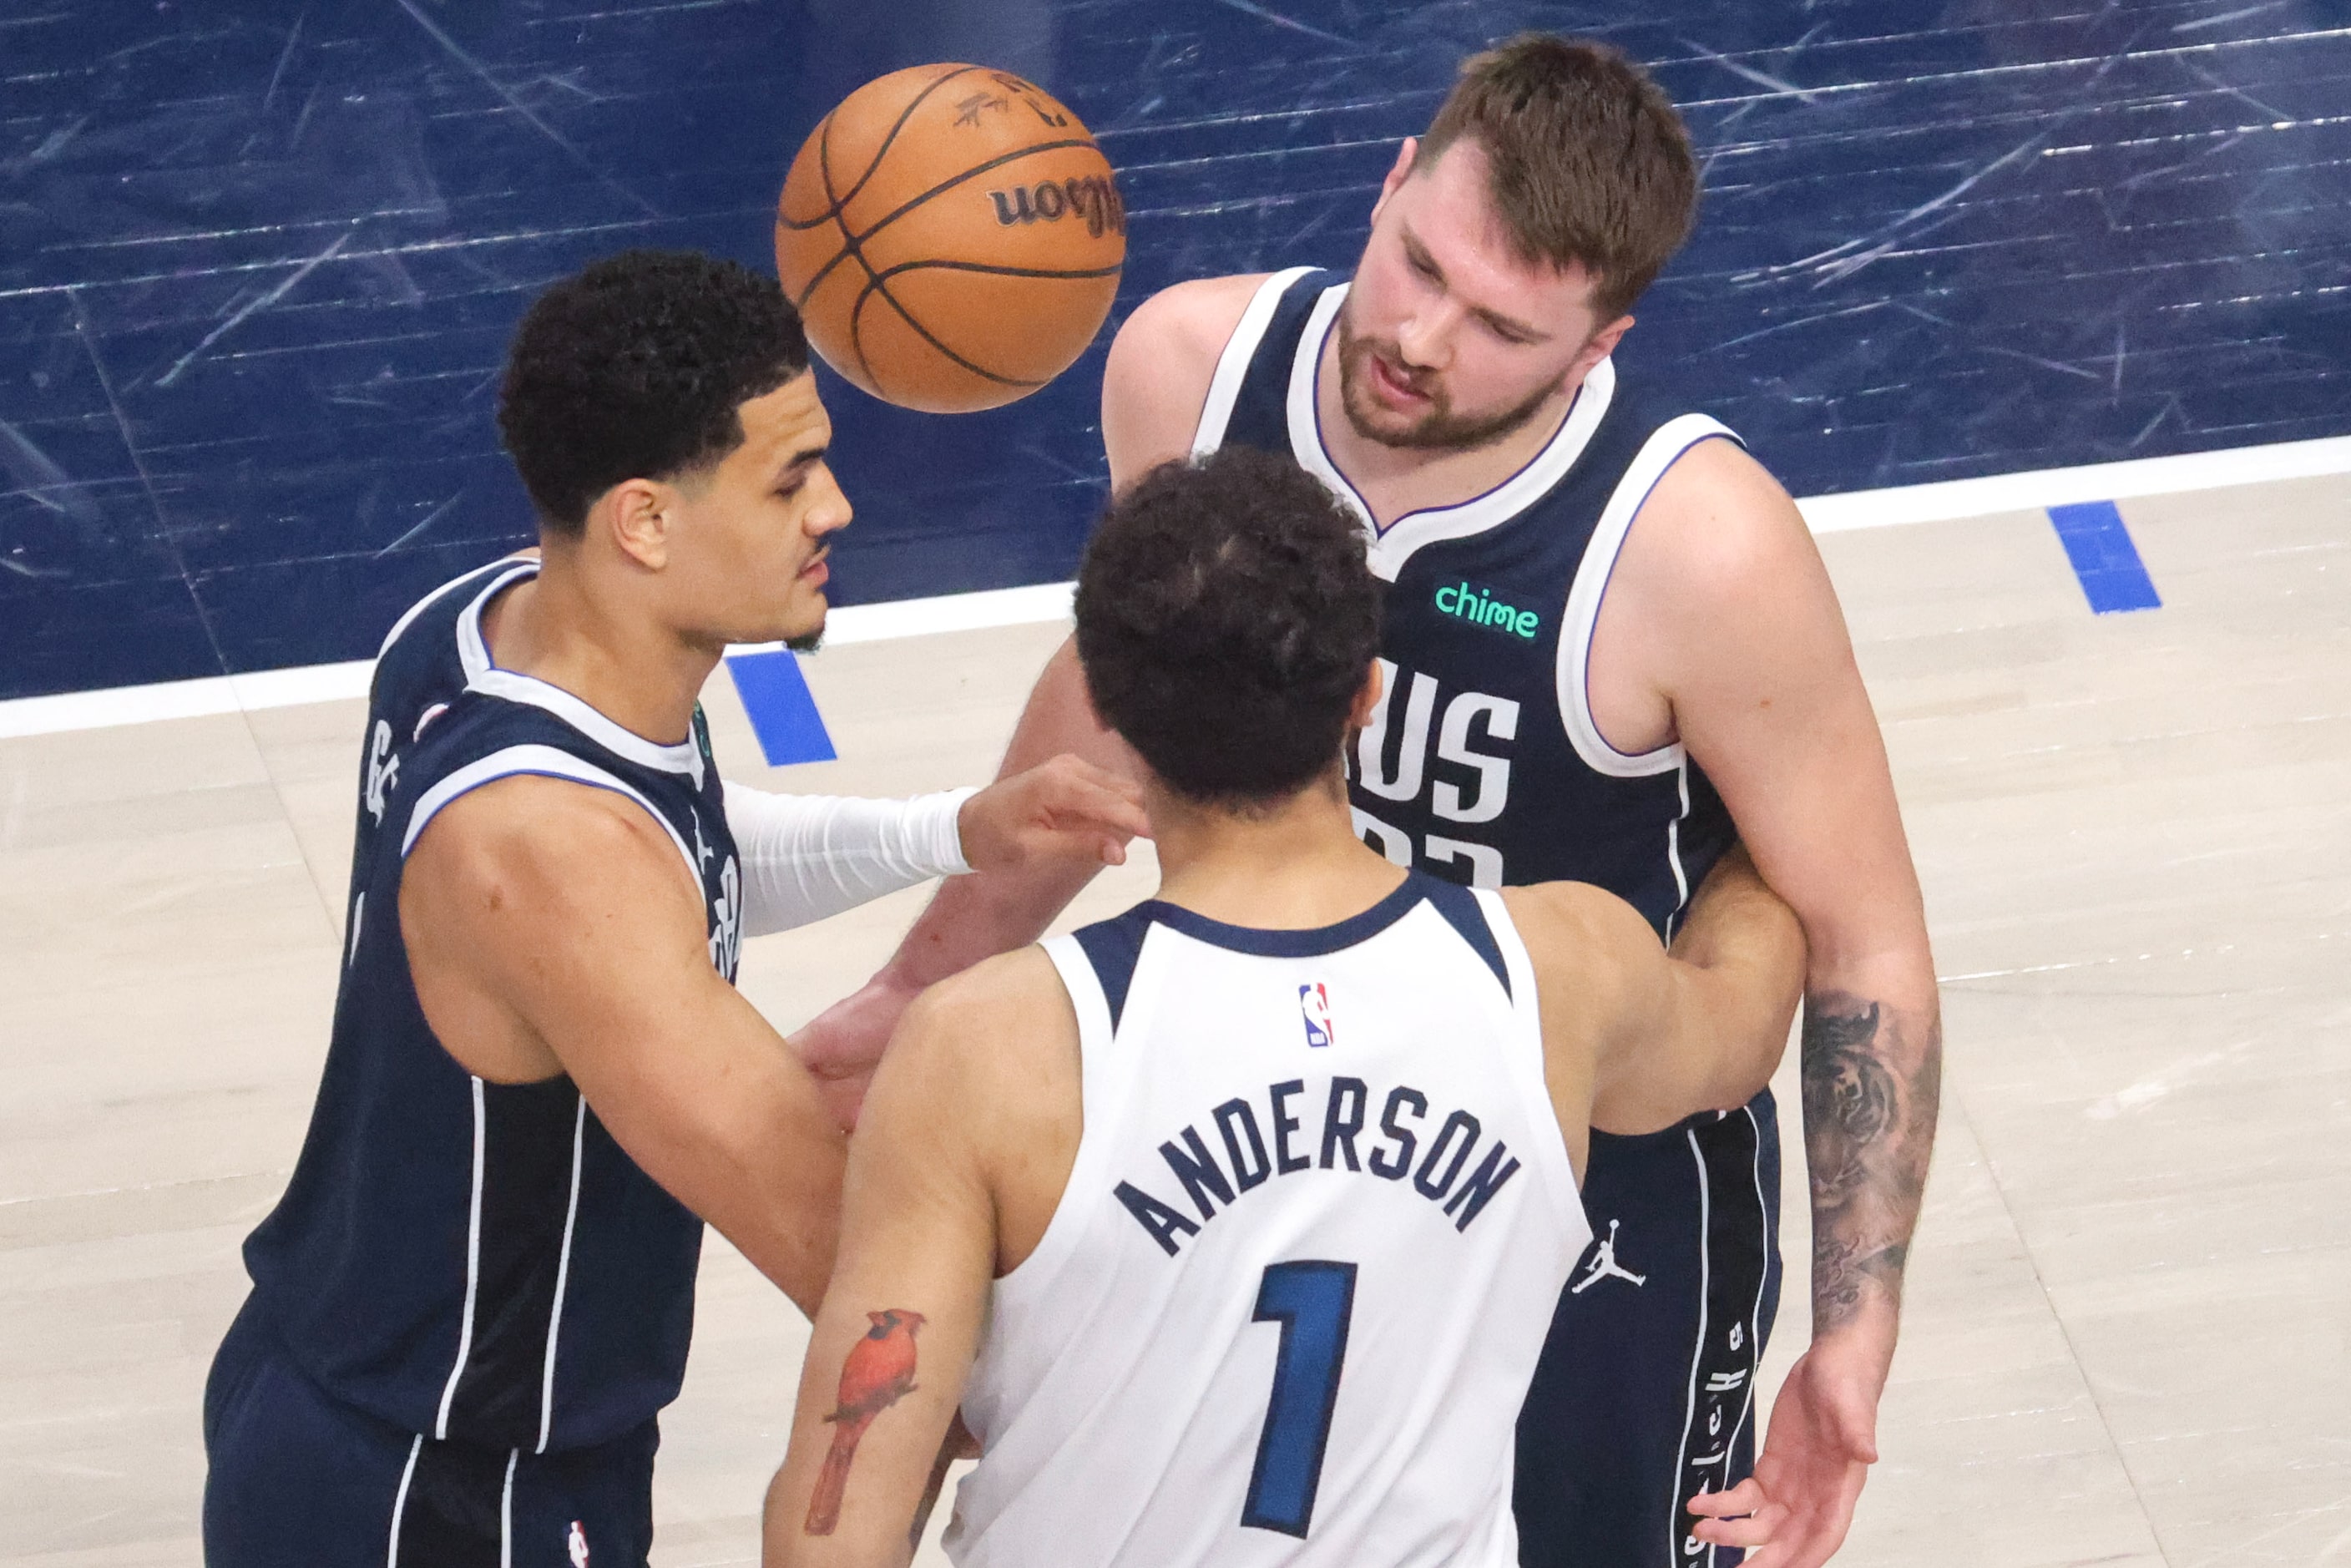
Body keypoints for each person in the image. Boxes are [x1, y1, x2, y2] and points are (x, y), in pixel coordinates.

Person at [791, 35, 1942, 1568]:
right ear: (1395, 176)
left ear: (1599, 343)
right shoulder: (1189, 373)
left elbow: (1862, 939)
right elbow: (1125, 672)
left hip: (1593, 1166)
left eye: (1501, 326)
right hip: (1258, 1124)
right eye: (1417, 262)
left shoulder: (1698, 550)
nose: (1417, 335)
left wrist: (1854, 1330)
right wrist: (923, 973)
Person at [201, 250, 1146, 1568]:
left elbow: (682, 839)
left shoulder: (485, 628)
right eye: (789, 477)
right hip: (447, 1489)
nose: (839, 506)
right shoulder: (547, 854)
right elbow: (844, 1246)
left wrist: (957, 830)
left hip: (360, 1389)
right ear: (645, 521)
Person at [758, 448, 1808, 1568]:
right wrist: (1769, 814)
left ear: (1107, 711)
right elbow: (1743, 1022)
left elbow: (839, 1522)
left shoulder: (990, 1046)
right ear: (1366, 693)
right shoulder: (1563, 972)